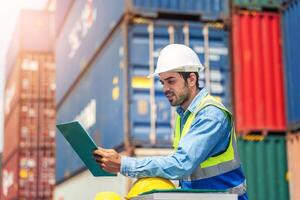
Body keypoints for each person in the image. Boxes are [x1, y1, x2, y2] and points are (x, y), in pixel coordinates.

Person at [93, 44, 248, 200]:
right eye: (162, 82)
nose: (165, 88)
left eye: (171, 81)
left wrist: (123, 164)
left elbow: (181, 164)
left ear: (192, 79)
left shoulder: (210, 115)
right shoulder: (184, 115)